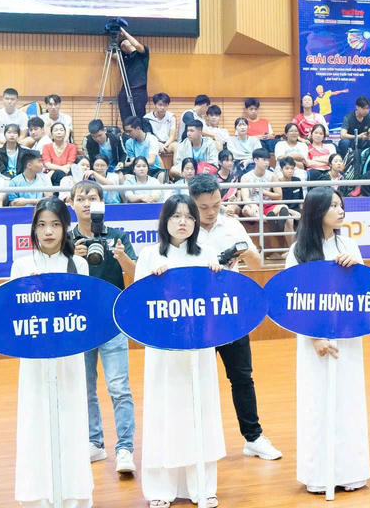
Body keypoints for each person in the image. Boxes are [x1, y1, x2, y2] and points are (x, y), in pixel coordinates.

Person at [134, 195, 226, 507]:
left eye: (188, 217)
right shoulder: (150, 255)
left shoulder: (206, 254)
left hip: (198, 347)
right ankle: (160, 490)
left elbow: (219, 303)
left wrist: (217, 277)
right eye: (176, 216)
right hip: (164, 351)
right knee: (164, 413)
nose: (183, 222)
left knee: (200, 411)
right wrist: (153, 282)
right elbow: (139, 305)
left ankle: (202, 486)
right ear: (165, 221)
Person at [185, 175, 282, 462]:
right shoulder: (182, 228)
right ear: (192, 203)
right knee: (195, 379)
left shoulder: (232, 226)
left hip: (231, 311)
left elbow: (258, 263)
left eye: (216, 204)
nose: (211, 211)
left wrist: (246, 253)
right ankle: (196, 441)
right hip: (196, 315)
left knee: (241, 377)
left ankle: (253, 437)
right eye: (204, 207)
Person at [285, 188, 370, 494]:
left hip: (347, 335)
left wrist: (355, 268)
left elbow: (364, 291)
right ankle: (319, 474)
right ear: (316, 211)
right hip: (314, 342)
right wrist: (315, 338)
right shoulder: (297, 252)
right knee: (317, 403)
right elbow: (291, 300)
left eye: (340, 204)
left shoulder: (349, 245)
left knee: (349, 400)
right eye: (333, 205)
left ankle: (351, 471)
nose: (340, 210)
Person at [10, 197, 93, 508]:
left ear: (65, 228)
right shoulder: (22, 265)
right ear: (34, 229)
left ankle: (74, 494)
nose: (48, 232)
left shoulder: (78, 265)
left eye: (55, 225)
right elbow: (14, 315)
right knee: (35, 421)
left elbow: (83, 310)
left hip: (69, 356)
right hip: (34, 358)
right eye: (42, 225)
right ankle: (36, 495)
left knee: (71, 420)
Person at [66, 182, 139, 475]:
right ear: (71, 204)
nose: (86, 203)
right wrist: (72, 257)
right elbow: (59, 281)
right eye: (81, 198)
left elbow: (137, 273)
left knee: (119, 387)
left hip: (112, 321)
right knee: (85, 388)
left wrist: (122, 257)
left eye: (93, 198)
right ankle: (94, 443)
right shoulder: (67, 240)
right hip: (79, 323)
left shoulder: (118, 236)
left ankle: (125, 448)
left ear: (102, 204)